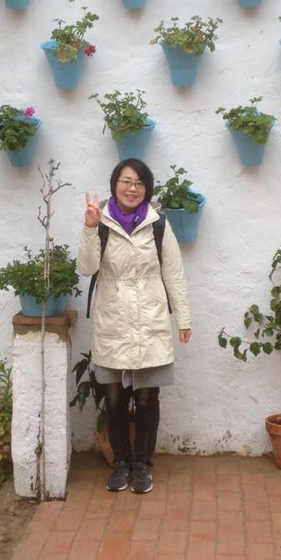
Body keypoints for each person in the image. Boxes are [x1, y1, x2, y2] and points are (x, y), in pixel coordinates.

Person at [78, 158, 191, 495]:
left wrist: (183, 318)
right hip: (113, 321)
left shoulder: (158, 224)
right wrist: (88, 229)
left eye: (139, 183)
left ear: (147, 189)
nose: (132, 188)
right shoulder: (100, 222)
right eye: (126, 181)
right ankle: (121, 464)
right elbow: (87, 268)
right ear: (115, 184)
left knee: (146, 398)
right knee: (113, 399)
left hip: (149, 321)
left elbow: (173, 272)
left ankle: (142, 466)